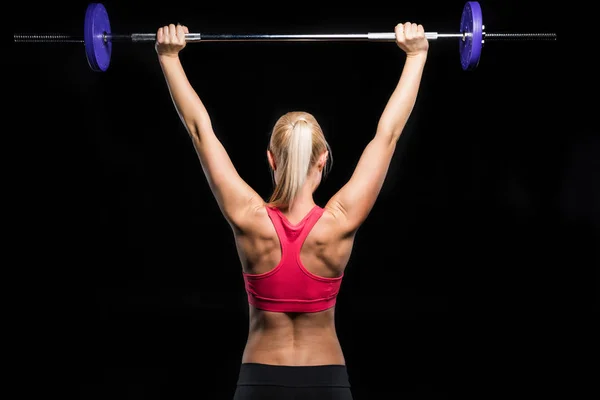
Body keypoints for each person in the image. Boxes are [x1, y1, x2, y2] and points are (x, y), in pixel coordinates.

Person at [155, 20, 429, 400]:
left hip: (259, 382)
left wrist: (168, 57)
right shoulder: (340, 221)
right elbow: (389, 134)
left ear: (271, 160)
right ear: (323, 159)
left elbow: (201, 131)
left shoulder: (249, 218)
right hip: (327, 381)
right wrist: (416, 56)